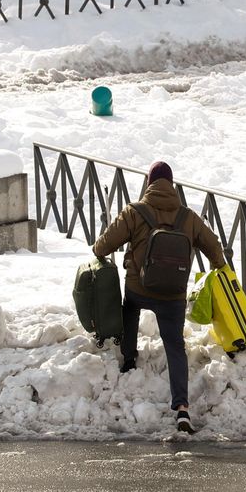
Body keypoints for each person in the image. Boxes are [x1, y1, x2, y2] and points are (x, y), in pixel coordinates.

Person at [92, 161, 226, 434]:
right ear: (172, 185)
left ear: (149, 183)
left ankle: (129, 359)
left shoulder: (135, 212)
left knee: (128, 309)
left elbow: (104, 245)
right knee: (175, 346)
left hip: (138, 288)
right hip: (172, 294)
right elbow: (213, 245)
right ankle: (182, 409)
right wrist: (219, 265)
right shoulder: (188, 217)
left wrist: (99, 249)